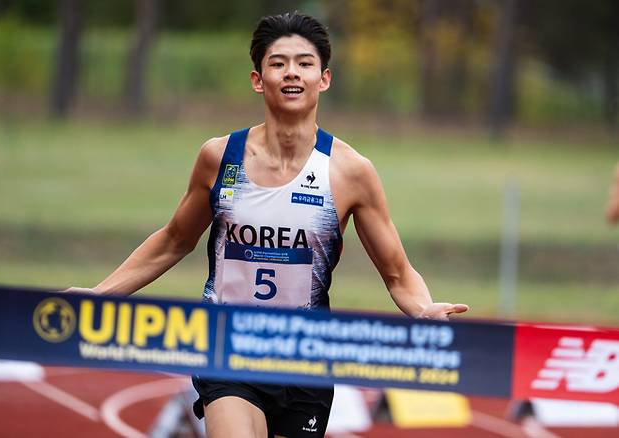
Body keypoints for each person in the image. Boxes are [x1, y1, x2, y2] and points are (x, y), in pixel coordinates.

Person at [68, 12, 468, 438]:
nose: (291, 72)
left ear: (324, 78)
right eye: (278, 63)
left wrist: (424, 309)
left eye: (304, 63)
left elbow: (397, 272)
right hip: (228, 348)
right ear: (258, 79)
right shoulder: (220, 157)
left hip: (304, 361)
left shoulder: (350, 172)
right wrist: (98, 296)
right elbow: (173, 241)